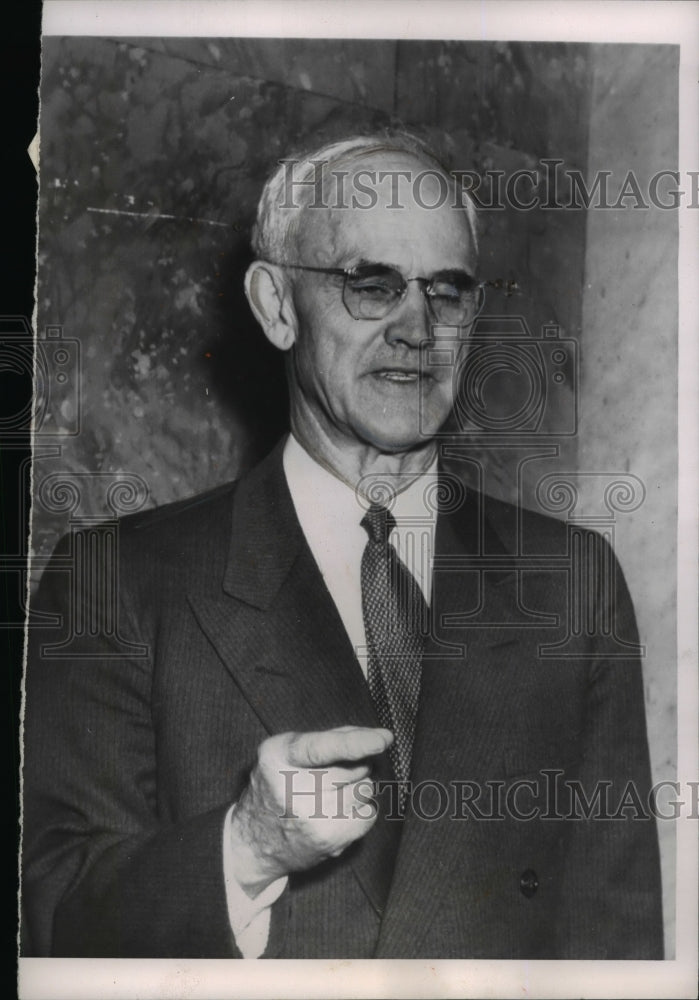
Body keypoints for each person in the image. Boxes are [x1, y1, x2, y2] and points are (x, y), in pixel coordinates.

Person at [22, 132, 663, 959]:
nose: (416, 328)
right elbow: (56, 917)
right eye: (370, 284)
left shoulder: (571, 581)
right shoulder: (117, 580)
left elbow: (616, 940)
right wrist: (248, 846)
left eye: (448, 291)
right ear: (276, 305)